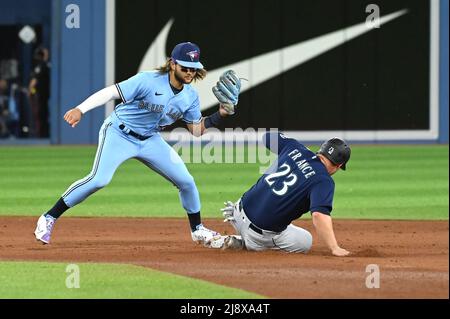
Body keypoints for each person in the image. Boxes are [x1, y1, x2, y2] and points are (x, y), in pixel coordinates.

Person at [34, 42, 241, 245]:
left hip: (150, 139)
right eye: (185, 66)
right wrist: (81, 109)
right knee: (99, 180)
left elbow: (196, 131)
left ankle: (197, 229)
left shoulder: (190, 96)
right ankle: (49, 217)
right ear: (172, 63)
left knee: (186, 181)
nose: (189, 72)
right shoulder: (148, 80)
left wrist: (220, 114)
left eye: (193, 68)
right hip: (119, 133)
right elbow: (110, 93)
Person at [210, 131, 352, 257]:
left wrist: (295, 148)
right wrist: (334, 248)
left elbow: (268, 137)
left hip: (236, 212)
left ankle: (245, 237)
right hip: (258, 235)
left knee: (283, 220)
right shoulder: (324, 181)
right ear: (339, 165)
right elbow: (318, 215)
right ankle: (246, 243)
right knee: (305, 241)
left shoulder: (295, 148)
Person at [28, 47, 50, 137]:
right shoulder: (40, 65)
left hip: (43, 95)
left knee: (42, 114)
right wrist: (30, 90)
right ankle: (39, 135)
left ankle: (42, 134)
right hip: (38, 95)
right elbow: (34, 80)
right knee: (39, 115)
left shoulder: (43, 65)